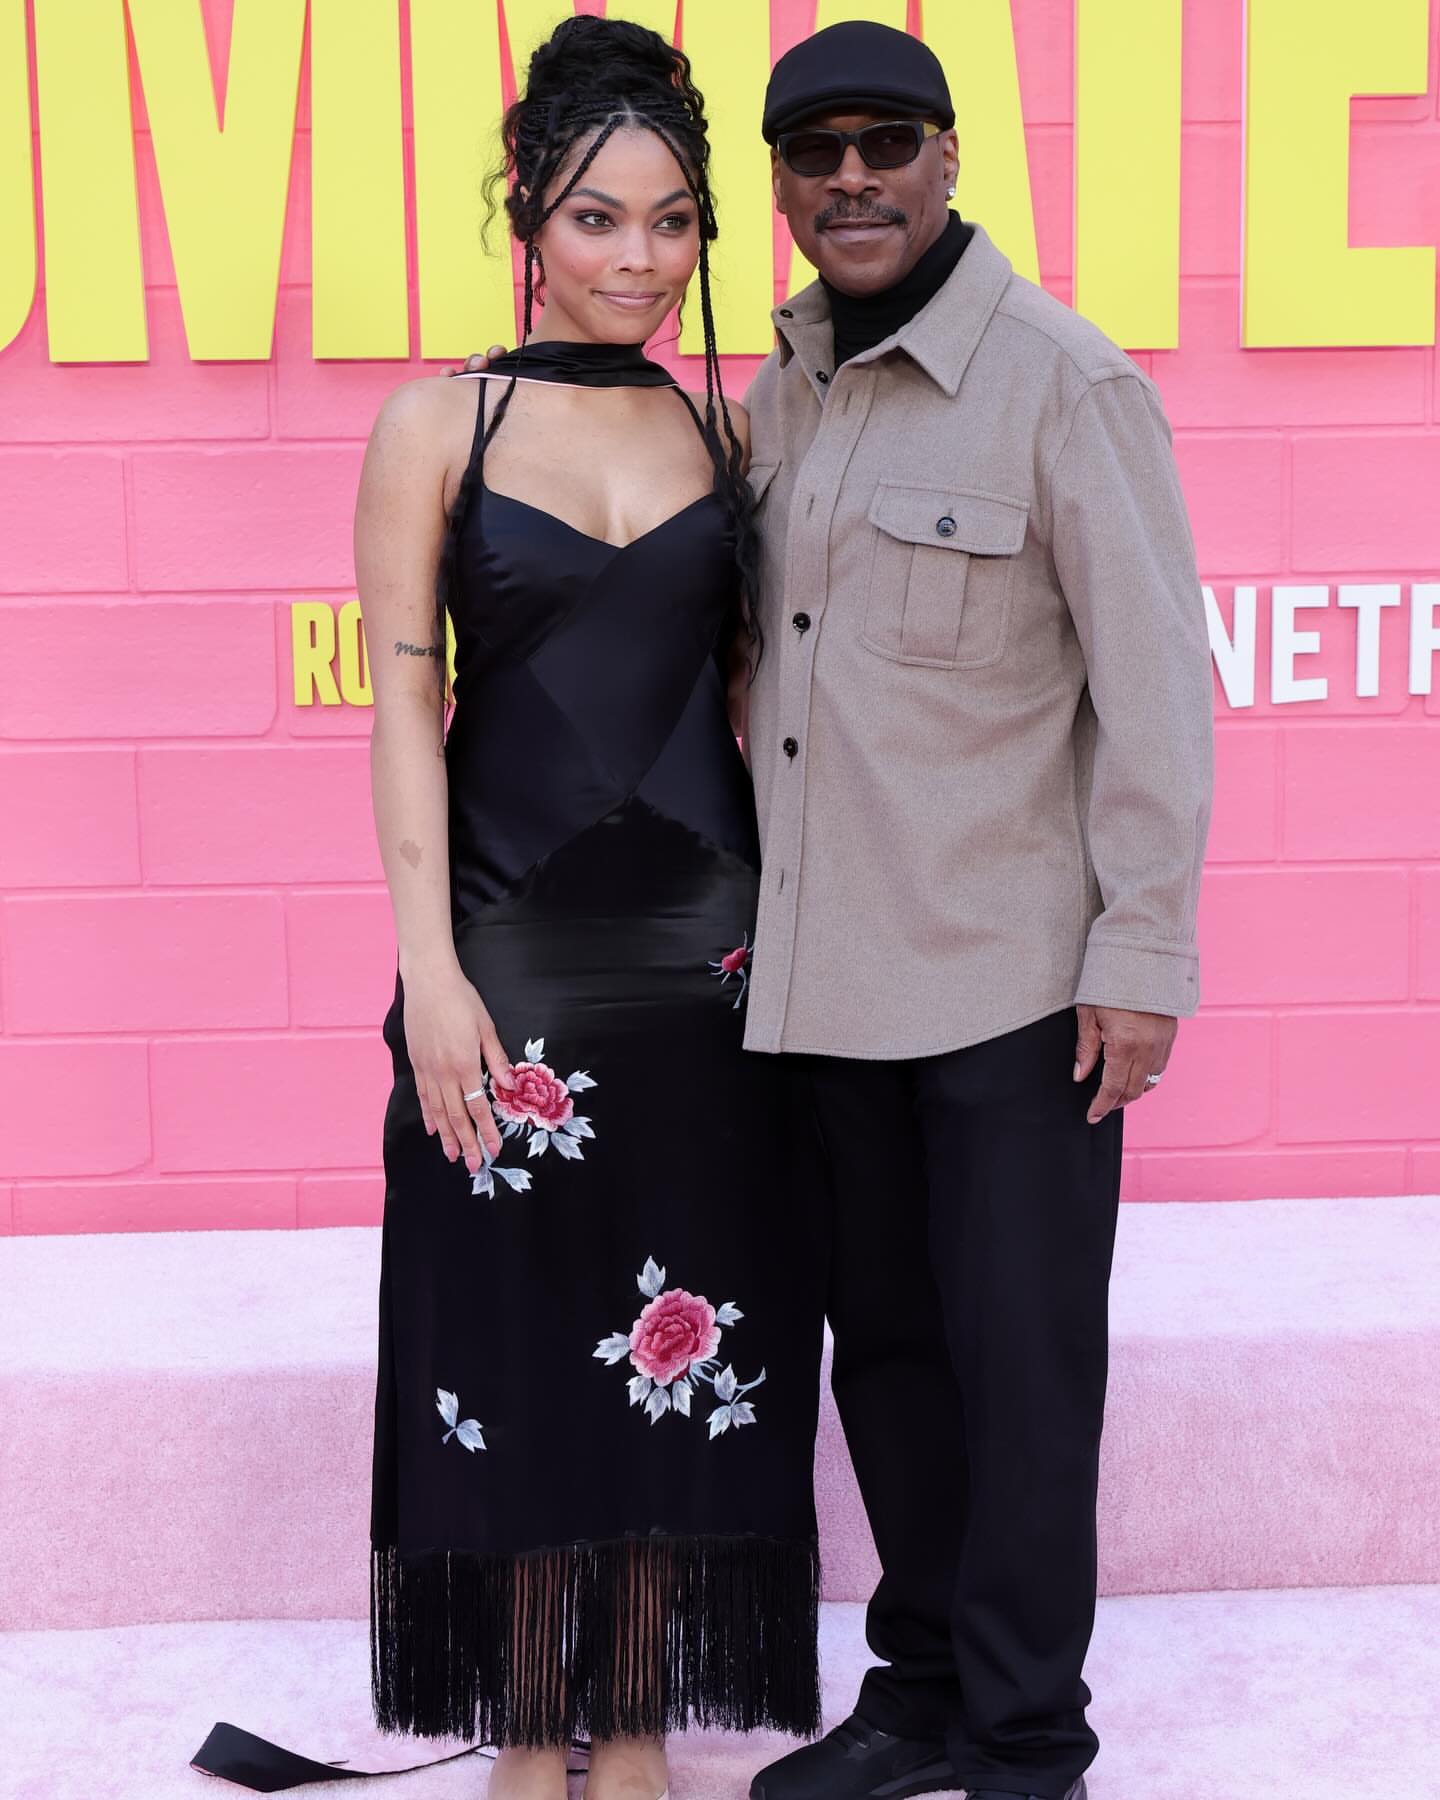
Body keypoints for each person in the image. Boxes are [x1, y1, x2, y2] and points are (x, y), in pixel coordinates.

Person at [461, 18, 1213, 1800]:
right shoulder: (782, 387)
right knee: (882, 1360)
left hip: (1017, 990)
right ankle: (923, 1691)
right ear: (785, 192)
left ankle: (1025, 1740)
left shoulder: (1065, 384)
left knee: (1020, 1379)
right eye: (817, 153)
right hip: (822, 991)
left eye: (889, 143)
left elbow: (1158, 695)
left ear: (950, 159)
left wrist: (1143, 956)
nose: (854, 179)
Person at [190, 15, 827, 1800]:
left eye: (675, 221)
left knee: (695, 1329)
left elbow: (752, 701)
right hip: (510, 956)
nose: (640, 257)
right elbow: (405, 709)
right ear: (528, 216)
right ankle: (532, 1727)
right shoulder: (433, 424)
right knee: (518, 1339)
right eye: (599, 217)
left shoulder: (728, 427)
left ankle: (639, 1718)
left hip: (714, 966)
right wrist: (433, 975)